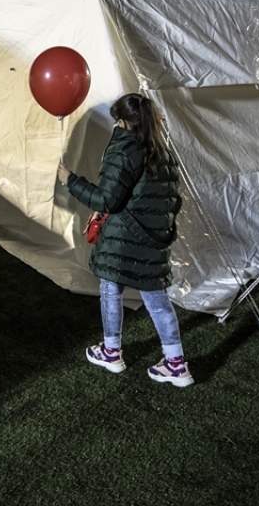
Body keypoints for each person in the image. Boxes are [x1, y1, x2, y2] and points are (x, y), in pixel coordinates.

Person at [57, 93, 191, 387]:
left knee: (110, 290)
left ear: (121, 121)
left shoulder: (124, 148)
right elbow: (168, 201)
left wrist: (71, 180)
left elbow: (108, 199)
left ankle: (111, 352)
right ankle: (176, 363)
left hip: (123, 238)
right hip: (153, 239)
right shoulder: (161, 151)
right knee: (157, 301)